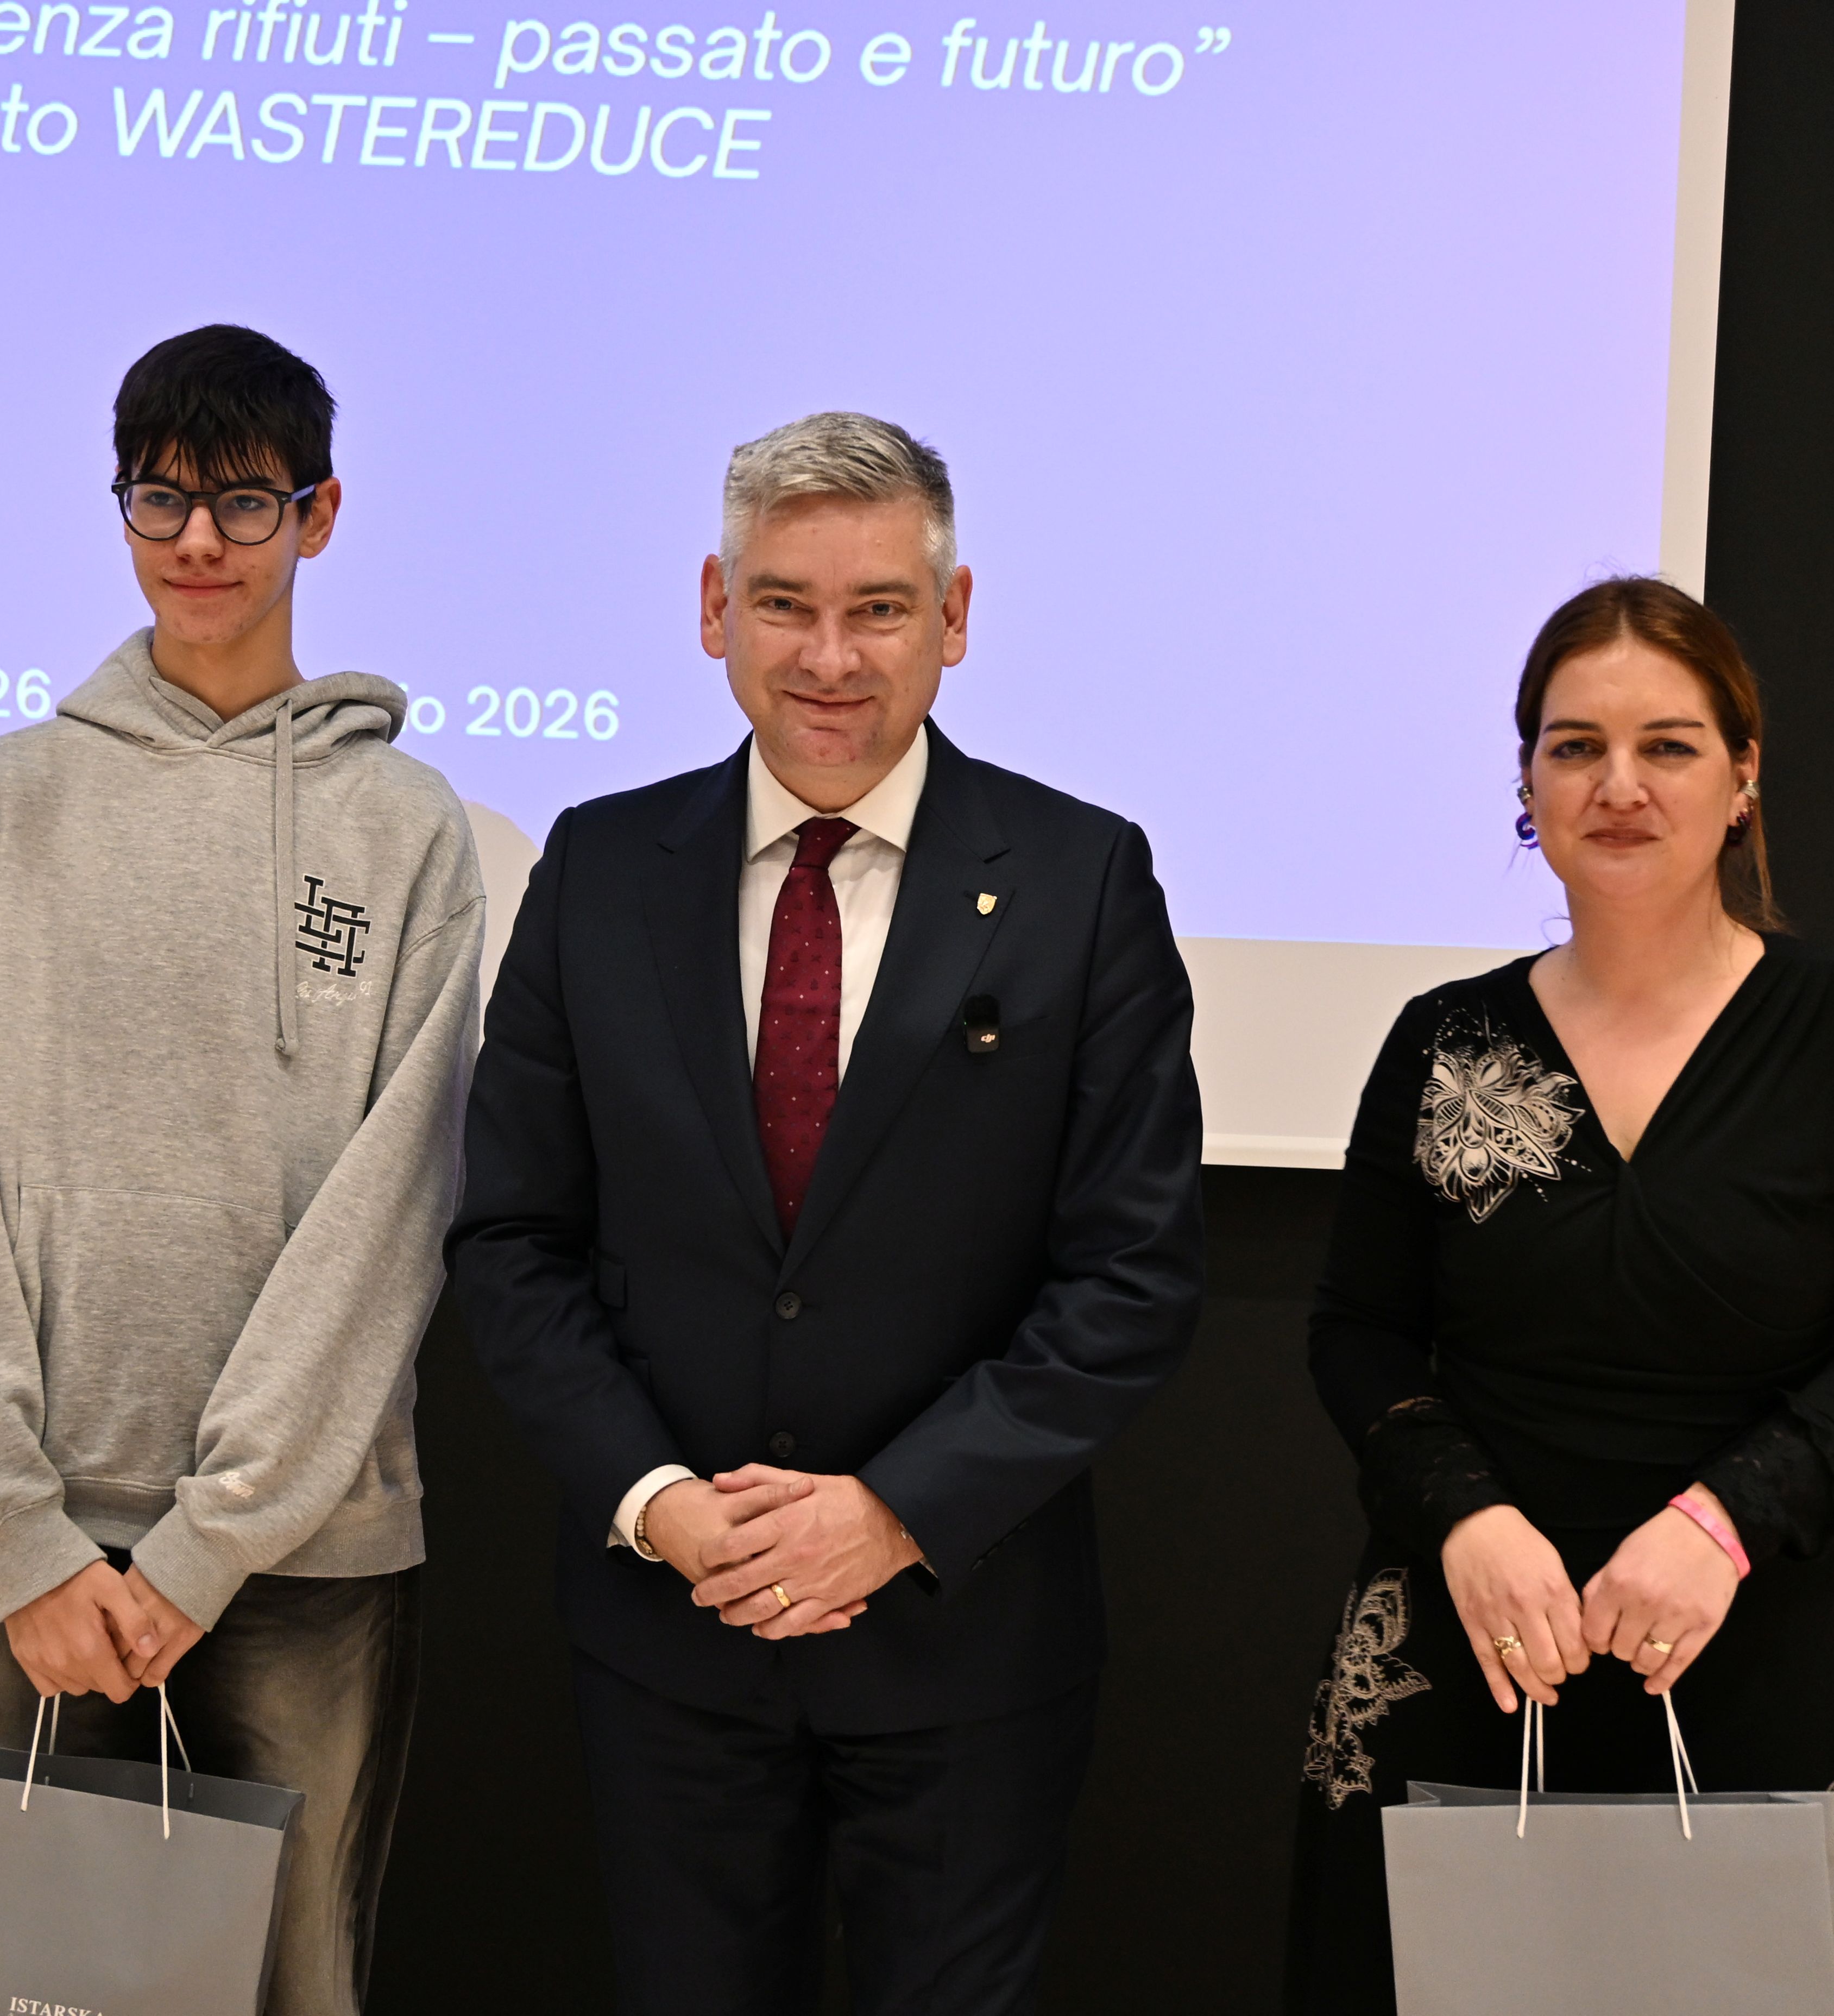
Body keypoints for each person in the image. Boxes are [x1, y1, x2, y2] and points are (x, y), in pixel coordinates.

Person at [448, 412, 1208, 2016]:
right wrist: (658, 1502)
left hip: (965, 1644)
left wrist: (894, 1513)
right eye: (785, 604)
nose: (830, 657)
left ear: (955, 617)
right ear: (713, 609)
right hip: (672, 1634)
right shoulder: (598, 869)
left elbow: (1131, 1276)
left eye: (879, 608)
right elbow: (513, 1240)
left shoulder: (1081, 880)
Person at [0, 324, 483, 2016]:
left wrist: (212, 1544)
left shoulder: (404, 829)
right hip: (36, 1549)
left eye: (244, 503)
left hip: (303, 1557)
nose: (198, 541)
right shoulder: (7, 803)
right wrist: (20, 1529)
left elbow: (394, 1209)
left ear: (320, 515)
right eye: (161, 500)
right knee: (10, 1993)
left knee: (296, 1989)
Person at [1285, 577, 1834, 2013]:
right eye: (1575, 746)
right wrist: (1466, 1521)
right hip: (1468, 1643)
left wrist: (1719, 1528)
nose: (1619, 786)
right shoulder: (1443, 1038)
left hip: (1745, 1640)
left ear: (1743, 776)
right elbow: (1358, 1334)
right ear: (1527, 783)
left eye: (1667, 745)